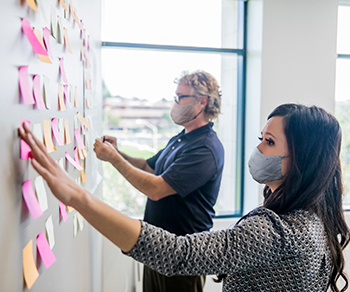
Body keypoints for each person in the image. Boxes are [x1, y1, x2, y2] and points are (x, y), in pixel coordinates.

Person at [18, 103, 350, 292]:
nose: (258, 149)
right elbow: (152, 166)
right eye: (260, 138)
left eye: (270, 143)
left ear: (302, 159)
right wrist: (117, 155)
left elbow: (179, 252)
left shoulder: (281, 231)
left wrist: (79, 197)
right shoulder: (311, 216)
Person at [93, 70, 224, 292]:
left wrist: (114, 160)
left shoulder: (205, 148)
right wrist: (118, 152)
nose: (175, 103)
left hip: (183, 256)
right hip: (158, 247)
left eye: (180, 97)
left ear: (202, 102)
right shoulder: (182, 138)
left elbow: (156, 189)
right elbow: (148, 167)